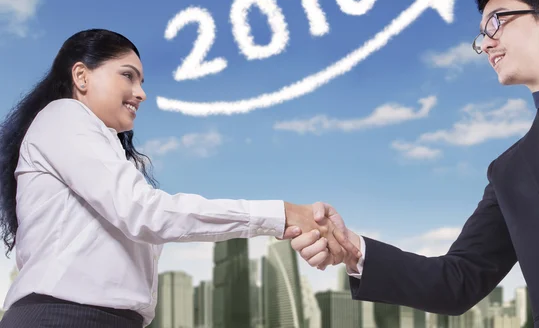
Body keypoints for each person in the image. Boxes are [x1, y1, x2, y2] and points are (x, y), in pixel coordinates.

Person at [291, 0, 539, 327]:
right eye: (481, 36)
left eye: (496, 23)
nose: (485, 44)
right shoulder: (510, 173)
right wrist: (355, 249)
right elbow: (458, 280)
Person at [0, 29, 360, 328]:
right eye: (128, 75)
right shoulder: (64, 117)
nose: (141, 92)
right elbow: (146, 213)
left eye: (141, 80)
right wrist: (280, 214)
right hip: (64, 317)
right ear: (81, 76)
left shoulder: (107, 154)